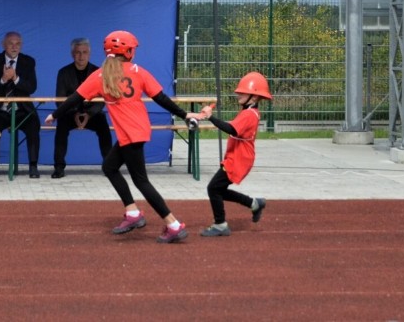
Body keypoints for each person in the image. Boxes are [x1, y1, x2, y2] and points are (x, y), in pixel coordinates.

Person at [45, 30, 201, 243]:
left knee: (141, 181)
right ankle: (133, 213)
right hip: (135, 131)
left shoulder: (99, 75)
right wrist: (184, 114)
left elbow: (74, 99)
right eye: (132, 49)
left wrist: (54, 115)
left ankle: (172, 224)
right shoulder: (137, 71)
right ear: (127, 52)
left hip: (131, 133)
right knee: (109, 167)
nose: (134, 52)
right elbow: (161, 98)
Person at [197, 71, 270, 237]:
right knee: (218, 189)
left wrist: (210, 117)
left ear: (254, 97)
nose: (238, 94)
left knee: (213, 188)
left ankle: (220, 224)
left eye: (243, 92)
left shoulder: (249, 115)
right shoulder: (249, 112)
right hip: (238, 157)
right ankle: (254, 203)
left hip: (239, 159)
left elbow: (231, 129)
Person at [0, 31, 41, 178]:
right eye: (11, 44)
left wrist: (16, 78)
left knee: (33, 127)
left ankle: (33, 166)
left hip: (21, 110)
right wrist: (4, 79)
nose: (14, 47)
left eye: (17, 44)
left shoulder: (28, 61)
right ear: (3, 45)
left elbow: (31, 87)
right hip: (0, 109)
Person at [51, 37, 112, 178]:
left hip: (92, 114)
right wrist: (74, 114)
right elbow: (60, 100)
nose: (81, 56)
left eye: (84, 52)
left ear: (89, 54)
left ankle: (109, 167)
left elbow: (102, 99)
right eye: (78, 52)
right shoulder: (63, 72)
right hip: (69, 114)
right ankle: (59, 168)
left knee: (104, 128)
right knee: (61, 128)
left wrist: (89, 114)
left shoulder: (99, 72)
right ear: (72, 54)